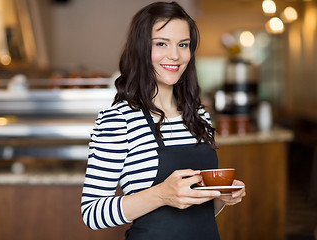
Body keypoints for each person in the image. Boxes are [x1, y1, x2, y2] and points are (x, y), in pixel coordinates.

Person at [81, 2, 246, 239]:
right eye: (161, 43)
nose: (175, 55)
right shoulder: (118, 120)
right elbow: (92, 213)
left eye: (183, 45)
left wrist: (222, 196)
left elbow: (201, 213)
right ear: (140, 49)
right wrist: (161, 195)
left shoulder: (199, 115)